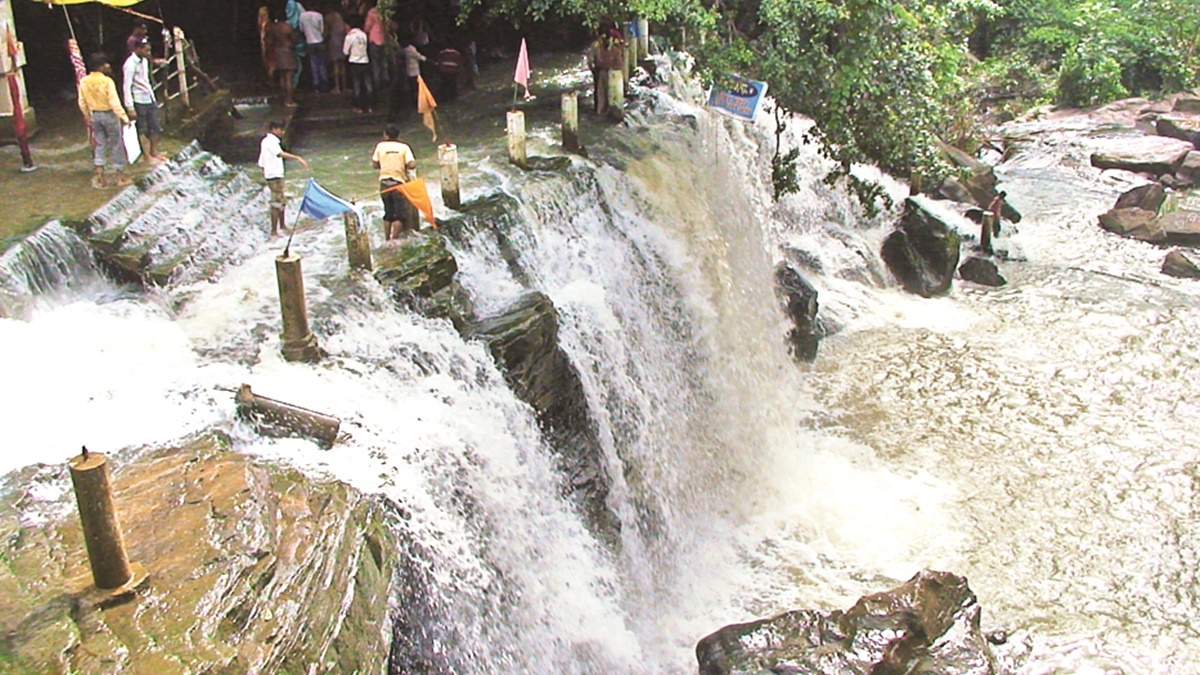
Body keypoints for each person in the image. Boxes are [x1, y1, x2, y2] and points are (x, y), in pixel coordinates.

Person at [78, 54, 131, 189]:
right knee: (116, 144)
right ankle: (120, 177)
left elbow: (82, 102)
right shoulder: (107, 81)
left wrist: (87, 116)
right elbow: (114, 102)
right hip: (109, 114)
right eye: (106, 64)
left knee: (100, 145)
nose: (108, 66)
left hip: (95, 115)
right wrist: (124, 117)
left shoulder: (84, 81)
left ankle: (101, 178)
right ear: (100, 66)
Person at [258, 120, 309, 237]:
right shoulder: (270, 142)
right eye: (280, 129)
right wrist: (297, 158)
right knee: (276, 202)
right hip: (273, 175)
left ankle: (282, 226)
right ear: (274, 129)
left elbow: (261, 161)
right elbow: (279, 153)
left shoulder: (267, 141)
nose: (282, 132)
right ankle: (274, 231)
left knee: (281, 200)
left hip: (275, 174)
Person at [122, 37, 167, 163]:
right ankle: (147, 156)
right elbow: (126, 86)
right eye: (146, 51)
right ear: (138, 49)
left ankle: (154, 151)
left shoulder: (145, 61)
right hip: (138, 100)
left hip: (149, 97)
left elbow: (145, 81)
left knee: (155, 126)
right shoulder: (130, 64)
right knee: (142, 129)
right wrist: (130, 107)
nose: (148, 53)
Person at [371, 123, 416, 240]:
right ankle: (394, 239)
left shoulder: (380, 146)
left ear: (385, 135)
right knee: (400, 215)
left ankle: (386, 238)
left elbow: (374, 164)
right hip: (398, 183)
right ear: (398, 135)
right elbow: (411, 165)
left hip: (384, 183)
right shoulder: (404, 147)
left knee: (388, 213)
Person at [266, 10, 300, 107]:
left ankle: (284, 98)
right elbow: (294, 40)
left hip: (278, 52)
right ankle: (289, 100)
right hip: (287, 52)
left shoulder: (272, 28)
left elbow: (269, 41)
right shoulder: (287, 27)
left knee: (282, 78)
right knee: (289, 78)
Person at [343, 15, 373, 112]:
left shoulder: (350, 36)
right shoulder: (364, 35)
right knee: (368, 85)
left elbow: (345, 51)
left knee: (357, 85)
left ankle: (358, 107)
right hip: (365, 61)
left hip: (354, 62)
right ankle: (369, 106)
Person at [298, 3, 328, 92]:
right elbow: (322, 30)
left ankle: (316, 85)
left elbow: (301, 29)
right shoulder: (319, 15)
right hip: (320, 41)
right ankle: (325, 84)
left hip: (309, 42)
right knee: (322, 64)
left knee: (313, 64)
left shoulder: (302, 16)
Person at [363, 1, 389, 90]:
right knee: (382, 62)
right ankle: (385, 82)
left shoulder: (371, 12)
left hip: (374, 39)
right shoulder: (382, 13)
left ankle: (377, 83)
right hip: (382, 39)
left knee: (375, 63)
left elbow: (367, 26)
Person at [324, 5, 348, 93]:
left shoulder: (329, 17)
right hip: (342, 40)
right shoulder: (339, 16)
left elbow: (326, 32)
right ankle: (344, 86)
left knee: (335, 65)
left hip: (333, 40)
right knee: (342, 65)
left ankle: (337, 87)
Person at [401, 37, 426, 112]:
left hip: (410, 71)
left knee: (413, 88)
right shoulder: (411, 49)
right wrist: (425, 59)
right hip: (414, 72)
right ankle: (415, 102)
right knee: (415, 88)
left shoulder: (404, 49)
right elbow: (418, 56)